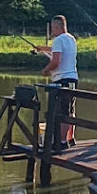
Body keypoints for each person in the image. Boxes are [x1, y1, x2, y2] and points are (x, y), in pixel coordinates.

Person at [34, 15, 78, 148]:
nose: (52, 31)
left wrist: (45, 70)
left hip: (62, 79)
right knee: (70, 110)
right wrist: (42, 48)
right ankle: (70, 138)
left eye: (53, 28)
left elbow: (56, 61)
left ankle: (61, 142)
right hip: (73, 78)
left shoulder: (58, 40)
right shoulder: (71, 39)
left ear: (58, 27)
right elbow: (58, 52)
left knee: (62, 112)